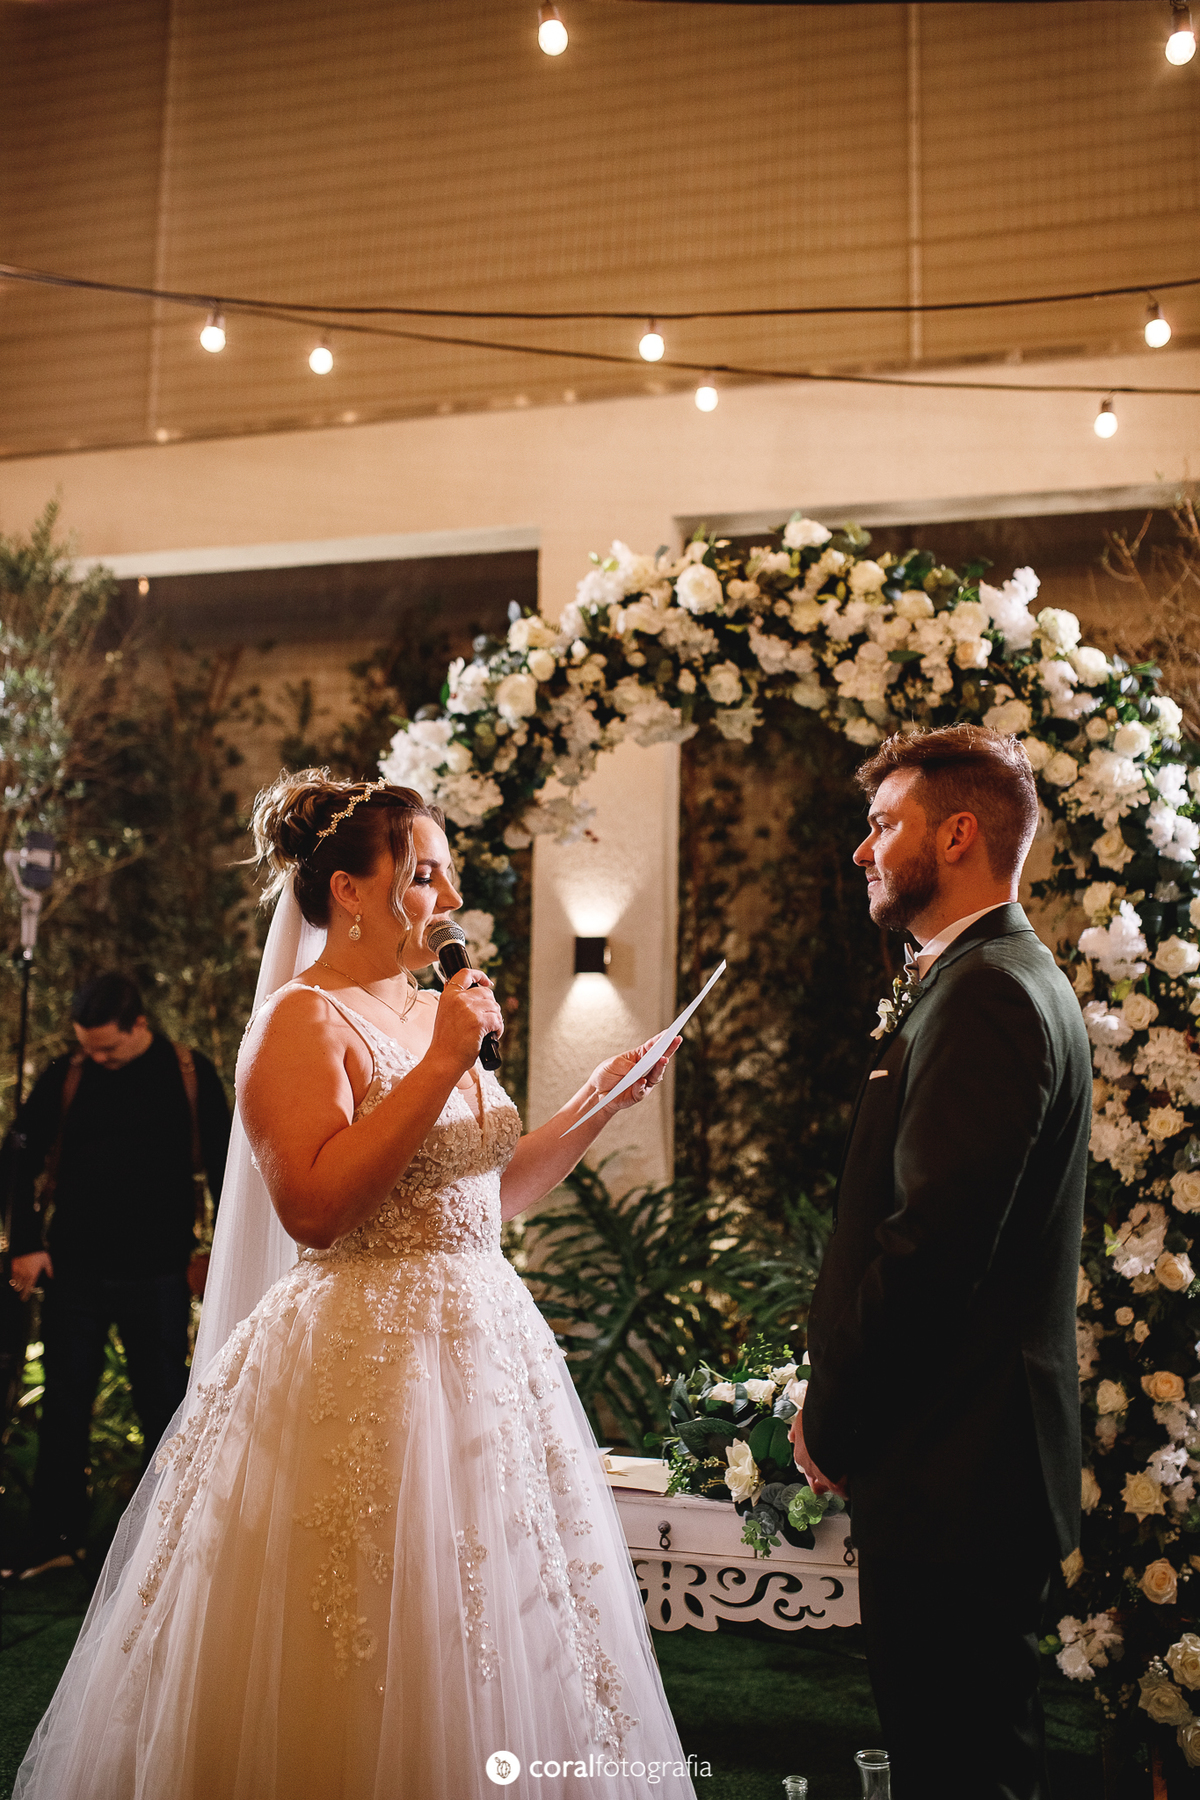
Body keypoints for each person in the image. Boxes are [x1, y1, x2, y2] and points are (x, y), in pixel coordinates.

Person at [16, 773, 697, 1800]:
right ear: (349, 890)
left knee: (498, 1621)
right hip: (366, 1357)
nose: (448, 898)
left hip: (483, 1348)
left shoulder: (431, 1011)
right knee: (367, 1626)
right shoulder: (301, 1020)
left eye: (447, 876)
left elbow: (490, 1193)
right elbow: (316, 1209)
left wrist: (600, 1099)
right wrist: (443, 1063)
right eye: (424, 876)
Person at [792, 725, 1091, 1800]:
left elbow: (930, 1245)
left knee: (964, 1770)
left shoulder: (989, 993)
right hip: (963, 1459)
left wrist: (833, 1414)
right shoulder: (985, 976)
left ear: (957, 835)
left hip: (961, 1463)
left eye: (883, 825)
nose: (862, 850)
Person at [8, 972, 231, 1577]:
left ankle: (173, 1541)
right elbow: (18, 1157)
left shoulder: (188, 1071)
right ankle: (55, 1539)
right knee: (65, 1406)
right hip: (72, 1269)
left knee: (165, 1404)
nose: (97, 1058)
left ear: (140, 1025)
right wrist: (25, 1244)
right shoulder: (69, 1072)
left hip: (159, 1271)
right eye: (87, 1046)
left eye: (107, 1047)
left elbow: (226, 1167)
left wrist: (221, 1253)